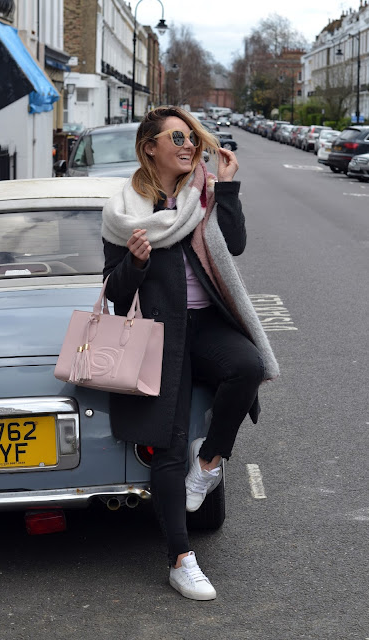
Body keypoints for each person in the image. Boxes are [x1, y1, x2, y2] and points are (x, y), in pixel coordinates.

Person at [101, 106, 279, 601]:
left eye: (193, 139)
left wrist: (229, 187)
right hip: (157, 335)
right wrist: (136, 264)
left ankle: (208, 464)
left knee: (247, 366)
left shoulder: (203, 194)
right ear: (150, 147)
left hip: (205, 326)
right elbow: (114, 291)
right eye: (178, 138)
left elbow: (234, 245)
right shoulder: (123, 210)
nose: (189, 146)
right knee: (167, 442)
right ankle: (181, 560)